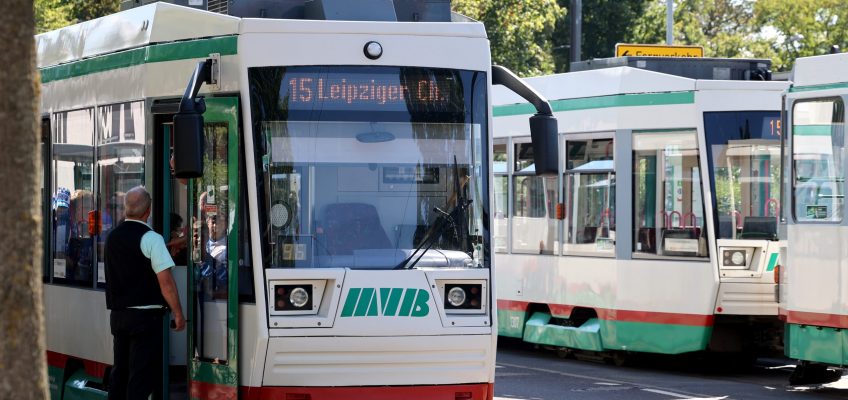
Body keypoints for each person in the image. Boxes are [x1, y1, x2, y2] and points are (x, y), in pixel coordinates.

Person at [104, 186, 186, 400]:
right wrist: (178, 313)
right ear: (148, 211)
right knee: (140, 378)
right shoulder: (151, 238)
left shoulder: (112, 237)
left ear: (126, 210)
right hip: (145, 318)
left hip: (119, 316)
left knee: (119, 373)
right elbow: (166, 283)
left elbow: (130, 266)